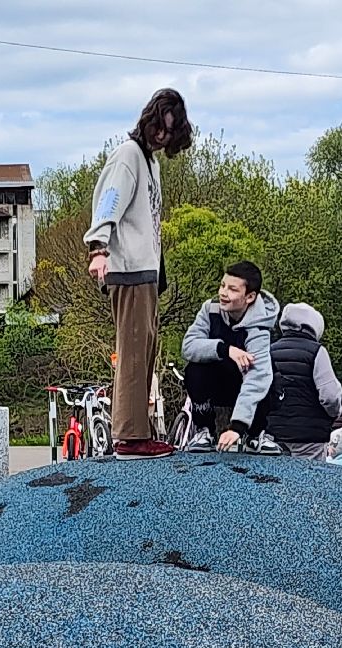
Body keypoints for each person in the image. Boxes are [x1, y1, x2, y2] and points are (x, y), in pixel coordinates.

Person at [85, 87, 193, 460]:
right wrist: (99, 248)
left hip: (146, 271)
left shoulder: (150, 161)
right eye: (160, 128)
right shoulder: (128, 156)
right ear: (149, 119)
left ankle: (138, 430)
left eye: (169, 132)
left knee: (145, 352)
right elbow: (109, 200)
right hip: (129, 270)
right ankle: (130, 437)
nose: (162, 137)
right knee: (132, 352)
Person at [179, 261, 281, 453]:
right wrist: (225, 349)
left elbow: (258, 376)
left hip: (245, 381)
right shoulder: (210, 310)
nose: (223, 293)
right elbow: (188, 346)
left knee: (266, 372)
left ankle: (255, 433)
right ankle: (204, 430)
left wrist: (237, 426)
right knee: (195, 368)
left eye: (233, 289)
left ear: (250, 297)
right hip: (217, 382)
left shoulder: (259, 327)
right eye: (222, 286)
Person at [263, 302, 342, 460]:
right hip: (309, 437)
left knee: (275, 482)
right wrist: (334, 414)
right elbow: (330, 396)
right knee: (308, 482)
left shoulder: (269, 351)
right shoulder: (316, 351)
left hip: (273, 434)